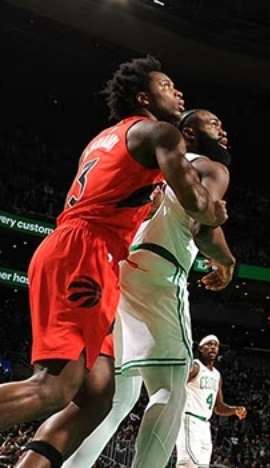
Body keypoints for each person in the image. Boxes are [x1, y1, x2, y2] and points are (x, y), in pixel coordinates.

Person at [0, 57, 226, 468]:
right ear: (144, 97)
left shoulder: (105, 138)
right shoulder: (162, 132)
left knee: (98, 397)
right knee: (52, 389)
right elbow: (198, 204)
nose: (178, 93)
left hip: (92, 255)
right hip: (85, 251)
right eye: (167, 85)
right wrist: (215, 212)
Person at [61, 109, 240, 468]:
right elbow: (202, 223)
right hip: (160, 272)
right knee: (170, 388)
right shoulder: (209, 167)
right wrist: (227, 260)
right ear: (189, 132)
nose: (224, 131)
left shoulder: (150, 163)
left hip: (121, 270)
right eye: (214, 124)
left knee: (117, 398)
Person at [174, 336, 247, 468]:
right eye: (208, 344)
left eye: (216, 345)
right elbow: (176, 383)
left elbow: (218, 407)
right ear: (200, 349)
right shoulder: (195, 366)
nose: (213, 347)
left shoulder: (217, 375)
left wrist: (234, 410)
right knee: (188, 464)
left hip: (205, 426)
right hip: (190, 420)